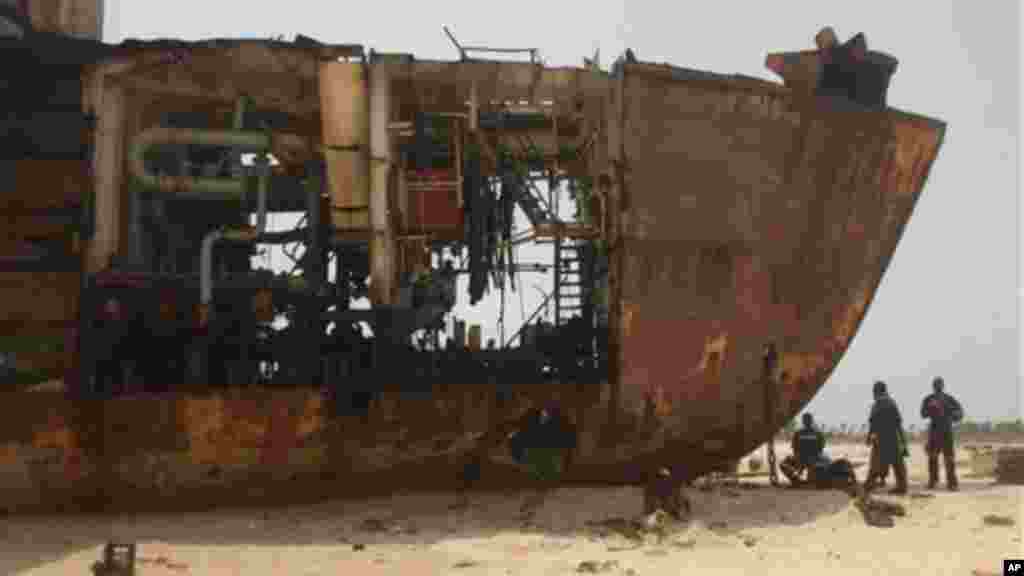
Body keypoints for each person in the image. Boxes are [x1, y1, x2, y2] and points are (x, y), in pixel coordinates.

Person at [864, 380, 908, 495]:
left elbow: (873, 424)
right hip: (893, 438)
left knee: (875, 464)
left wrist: (869, 437)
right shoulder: (892, 403)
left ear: (877, 391)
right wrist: (903, 442)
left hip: (881, 439)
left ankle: (869, 485)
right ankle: (902, 486)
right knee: (898, 464)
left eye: (874, 391)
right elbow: (898, 424)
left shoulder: (877, 404)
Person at [920, 377, 963, 491]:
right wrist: (931, 408)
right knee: (933, 458)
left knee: (949, 459)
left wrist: (950, 411)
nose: (938, 386)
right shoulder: (929, 399)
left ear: (942, 386)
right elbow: (923, 414)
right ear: (933, 386)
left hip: (946, 431)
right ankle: (933, 481)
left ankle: (952, 484)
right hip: (934, 432)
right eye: (936, 385)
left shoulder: (949, 399)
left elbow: (959, 414)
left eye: (939, 384)